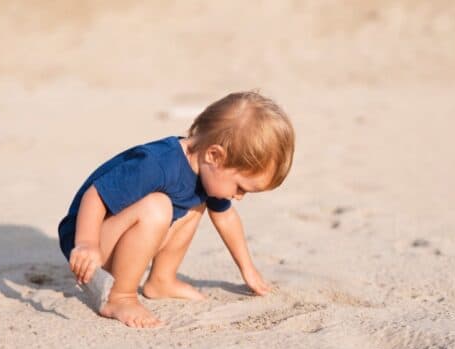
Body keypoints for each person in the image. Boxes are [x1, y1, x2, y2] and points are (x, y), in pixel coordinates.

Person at [57, 91, 294, 328]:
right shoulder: (156, 164)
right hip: (91, 244)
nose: (239, 197)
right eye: (240, 187)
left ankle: (161, 280)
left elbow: (226, 217)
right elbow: (95, 196)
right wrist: (86, 243)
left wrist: (248, 269)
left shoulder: (208, 172)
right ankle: (119, 296)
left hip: (121, 239)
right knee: (157, 207)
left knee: (196, 203)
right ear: (215, 155)